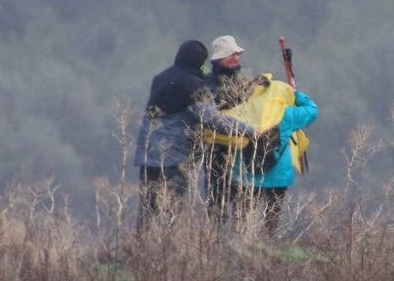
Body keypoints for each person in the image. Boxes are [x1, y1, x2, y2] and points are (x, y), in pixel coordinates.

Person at [133, 40, 257, 218]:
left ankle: (142, 244)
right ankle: (166, 245)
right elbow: (214, 120)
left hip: (147, 153)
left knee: (148, 208)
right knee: (171, 210)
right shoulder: (193, 84)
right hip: (173, 156)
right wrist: (250, 130)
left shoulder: (160, 78)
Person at [233, 86, 318, 234]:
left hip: (248, 174)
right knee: (272, 215)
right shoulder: (287, 113)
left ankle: (242, 242)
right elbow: (312, 110)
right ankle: (268, 241)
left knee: (244, 217)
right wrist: (296, 94)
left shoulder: (247, 110)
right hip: (278, 177)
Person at [203, 35, 255, 219]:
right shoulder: (207, 84)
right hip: (216, 151)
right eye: (230, 54)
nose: (235, 58)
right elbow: (211, 117)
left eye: (237, 54)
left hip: (243, 152)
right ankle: (213, 243)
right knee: (217, 199)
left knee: (244, 200)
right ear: (218, 58)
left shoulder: (242, 83)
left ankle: (242, 243)